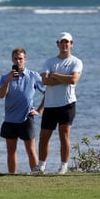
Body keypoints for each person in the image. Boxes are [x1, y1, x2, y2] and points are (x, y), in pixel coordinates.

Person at [37, 32, 83, 175]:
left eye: (67, 42)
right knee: (44, 136)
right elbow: (45, 81)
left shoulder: (76, 62)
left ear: (71, 44)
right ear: (57, 44)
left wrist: (55, 75)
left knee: (64, 135)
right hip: (50, 105)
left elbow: (73, 80)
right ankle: (41, 166)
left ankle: (63, 166)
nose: (64, 44)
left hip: (67, 104)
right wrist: (65, 78)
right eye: (62, 42)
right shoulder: (49, 62)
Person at [0, 48, 45, 174]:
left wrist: (39, 110)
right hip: (10, 118)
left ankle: (36, 174)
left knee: (31, 149)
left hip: (26, 117)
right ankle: (12, 176)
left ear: (25, 60)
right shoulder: (4, 77)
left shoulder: (33, 76)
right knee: (11, 150)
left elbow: (48, 93)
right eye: (15, 59)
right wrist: (8, 80)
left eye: (20, 59)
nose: (18, 61)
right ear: (12, 60)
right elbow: (1, 95)